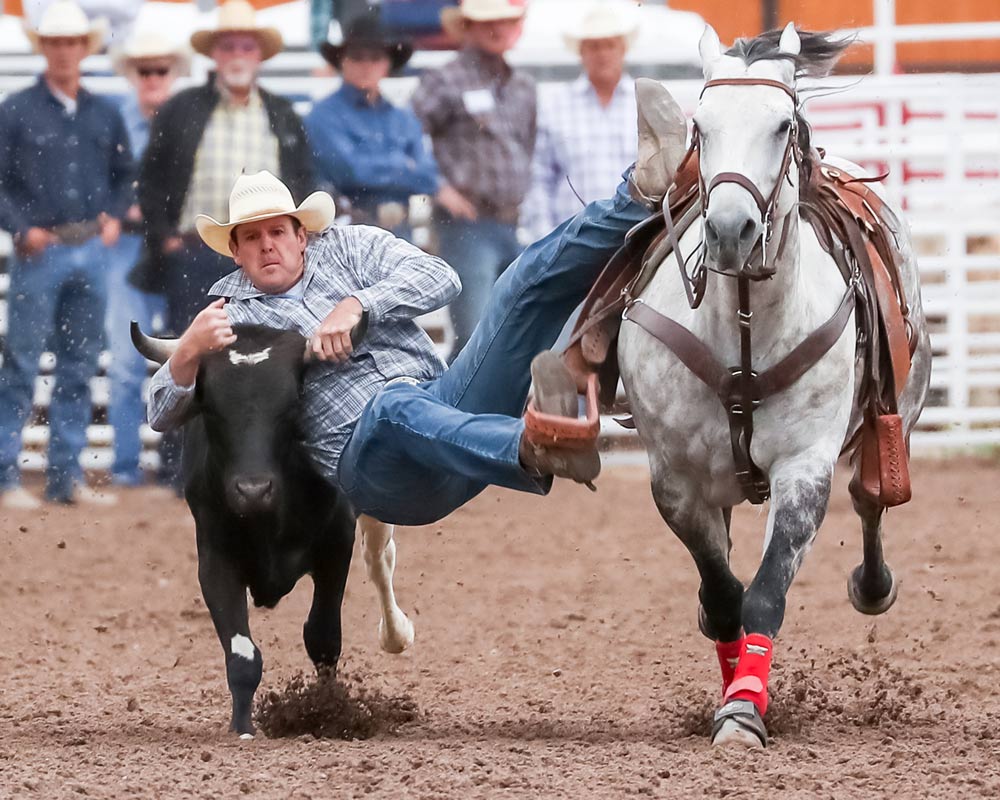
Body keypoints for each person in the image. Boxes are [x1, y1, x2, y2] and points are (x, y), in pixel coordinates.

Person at [142, 87, 686, 526]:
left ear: (301, 235)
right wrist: (187, 353)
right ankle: (534, 444)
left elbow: (440, 277)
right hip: (379, 474)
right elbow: (160, 411)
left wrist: (359, 304)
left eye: (278, 232)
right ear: (235, 251)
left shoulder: (352, 246)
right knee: (389, 407)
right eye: (252, 237)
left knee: (521, 283)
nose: (267, 246)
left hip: (447, 405)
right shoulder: (231, 315)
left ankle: (642, 193)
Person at [132, 0, 312, 488]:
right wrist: (165, 238)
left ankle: (262, 465)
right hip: (193, 250)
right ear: (215, 54)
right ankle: (180, 469)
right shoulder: (182, 108)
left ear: (258, 55)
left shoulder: (282, 113)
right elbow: (149, 182)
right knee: (189, 353)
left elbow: (301, 180)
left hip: (261, 254)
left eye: (245, 46)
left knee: (260, 362)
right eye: (228, 45)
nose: (237, 54)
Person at [0, 0, 132, 509]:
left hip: (86, 248)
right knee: (24, 363)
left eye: (71, 43)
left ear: (83, 48)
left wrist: (115, 216)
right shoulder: (15, 110)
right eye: (55, 43)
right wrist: (21, 228)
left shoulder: (103, 112)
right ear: (46, 49)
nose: (63, 52)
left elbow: (124, 176)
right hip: (43, 248)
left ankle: (62, 475)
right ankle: (8, 474)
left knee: (78, 364)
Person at [411, 0, 536, 360]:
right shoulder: (445, 80)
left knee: (514, 330)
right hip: (466, 225)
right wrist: (439, 187)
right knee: (476, 334)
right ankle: (455, 410)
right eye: (486, 22)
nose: (496, 28)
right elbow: (406, 136)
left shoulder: (523, 86)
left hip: (510, 221)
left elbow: (526, 146)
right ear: (467, 27)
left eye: (503, 21)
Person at [104, 30, 188, 488]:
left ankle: (174, 467)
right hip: (129, 245)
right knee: (125, 359)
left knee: (181, 354)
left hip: (175, 246)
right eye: (145, 70)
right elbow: (103, 178)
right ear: (134, 76)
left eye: (160, 69)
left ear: (172, 74)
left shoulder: (186, 120)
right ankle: (125, 467)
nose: (153, 78)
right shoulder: (115, 121)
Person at [305, 13, 439, 239]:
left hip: (399, 228)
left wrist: (388, 170)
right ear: (342, 61)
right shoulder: (323, 114)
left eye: (375, 57)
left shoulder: (402, 116)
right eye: (357, 57)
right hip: (344, 228)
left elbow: (428, 176)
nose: (366, 65)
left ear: (387, 64)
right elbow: (350, 172)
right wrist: (405, 165)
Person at [521, 2, 639, 241]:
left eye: (609, 45)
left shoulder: (643, 103)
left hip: (636, 237)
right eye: (594, 46)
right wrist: (546, 239)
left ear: (622, 49)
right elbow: (539, 178)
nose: (602, 54)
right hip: (573, 238)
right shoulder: (556, 106)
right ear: (581, 52)